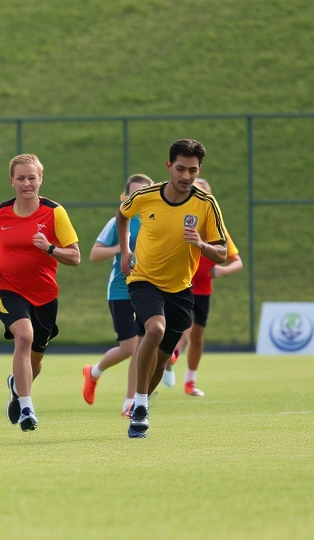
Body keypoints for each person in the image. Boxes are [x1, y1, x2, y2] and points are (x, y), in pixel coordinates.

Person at [118, 139, 228, 439]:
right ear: (169, 167)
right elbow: (122, 215)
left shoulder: (206, 204)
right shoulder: (146, 196)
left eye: (193, 170)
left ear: (199, 170)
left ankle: (140, 408)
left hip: (181, 288)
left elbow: (222, 251)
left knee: (163, 359)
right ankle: (140, 405)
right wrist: (126, 250)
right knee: (154, 329)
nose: (186, 176)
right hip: (144, 279)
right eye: (181, 169)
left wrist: (201, 244)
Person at [0, 154, 80, 432]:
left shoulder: (55, 212)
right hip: (8, 289)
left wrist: (49, 248)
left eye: (32, 177)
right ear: (11, 181)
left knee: (36, 361)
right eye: (20, 178)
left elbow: (76, 257)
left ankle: (16, 386)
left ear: (40, 179)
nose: (27, 183)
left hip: (45, 295)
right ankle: (27, 409)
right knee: (24, 336)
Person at [81, 174, 153, 417]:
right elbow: (94, 253)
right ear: (126, 197)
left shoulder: (160, 219)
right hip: (122, 291)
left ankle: (130, 402)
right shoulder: (120, 220)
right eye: (132, 194)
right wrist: (123, 248)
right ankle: (93, 372)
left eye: (142, 193)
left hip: (151, 288)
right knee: (130, 348)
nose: (137, 198)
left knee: (142, 345)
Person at [177, 178, 243, 397]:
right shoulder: (182, 223)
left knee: (196, 335)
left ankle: (190, 381)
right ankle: (169, 358)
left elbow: (236, 260)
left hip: (203, 289)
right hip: (179, 284)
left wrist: (223, 270)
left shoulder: (218, 230)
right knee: (178, 328)